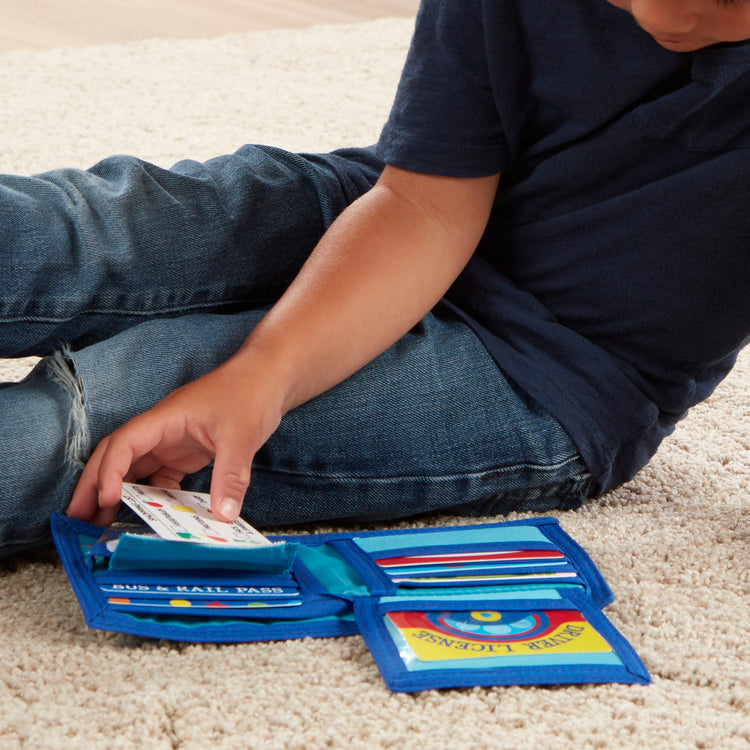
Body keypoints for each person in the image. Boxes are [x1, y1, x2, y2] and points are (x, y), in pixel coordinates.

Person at [1, 0, 748, 556]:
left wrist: (260, 380)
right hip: (398, 205)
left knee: (112, 420)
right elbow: (425, 202)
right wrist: (269, 365)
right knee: (90, 232)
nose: (668, 10)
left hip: (553, 370)